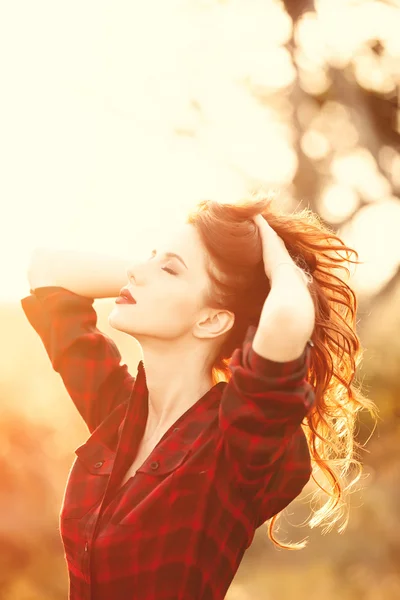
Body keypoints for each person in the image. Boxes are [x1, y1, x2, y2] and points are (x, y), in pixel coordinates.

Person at [21, 194, 378, 600]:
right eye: (150, 258)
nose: (138, 271)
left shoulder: (234, 445)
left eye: (170, 269)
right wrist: (152, 272)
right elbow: (46, 271)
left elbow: (285, 318)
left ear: (212, 320)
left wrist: (278, 262)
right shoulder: (119, 415)